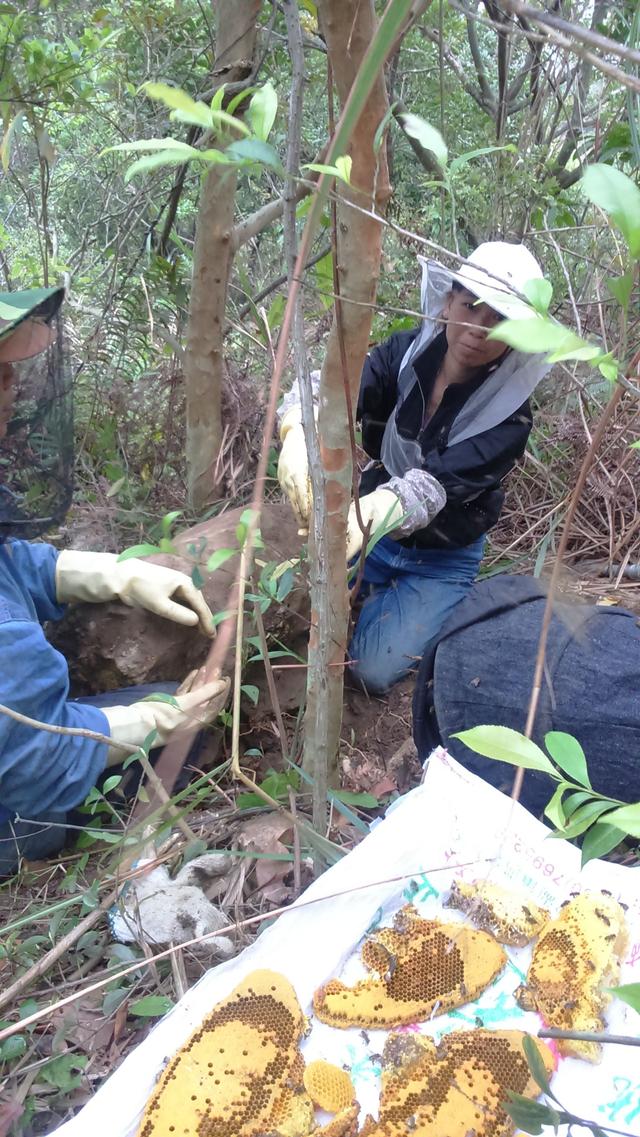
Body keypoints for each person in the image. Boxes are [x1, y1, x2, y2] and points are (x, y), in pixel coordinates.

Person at [0, 286, 228, 874]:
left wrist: (120, 575)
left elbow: (11, 562)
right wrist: (153, 722)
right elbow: (36, 767)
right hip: (15, 819)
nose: (12, 396)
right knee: (193, 732)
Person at [278, 242, 553, 693]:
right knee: (290, 598)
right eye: (471, 307)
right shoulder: (402, 355)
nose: (478, 330)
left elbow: (430, 487)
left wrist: (370, 516)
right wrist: (294, 428)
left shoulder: (511, 418)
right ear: (448, 302)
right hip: (373, 531)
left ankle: (418, 603)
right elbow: (331, 385)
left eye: (499, 321)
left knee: (371, 670)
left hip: (441, 558)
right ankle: (378, 594)